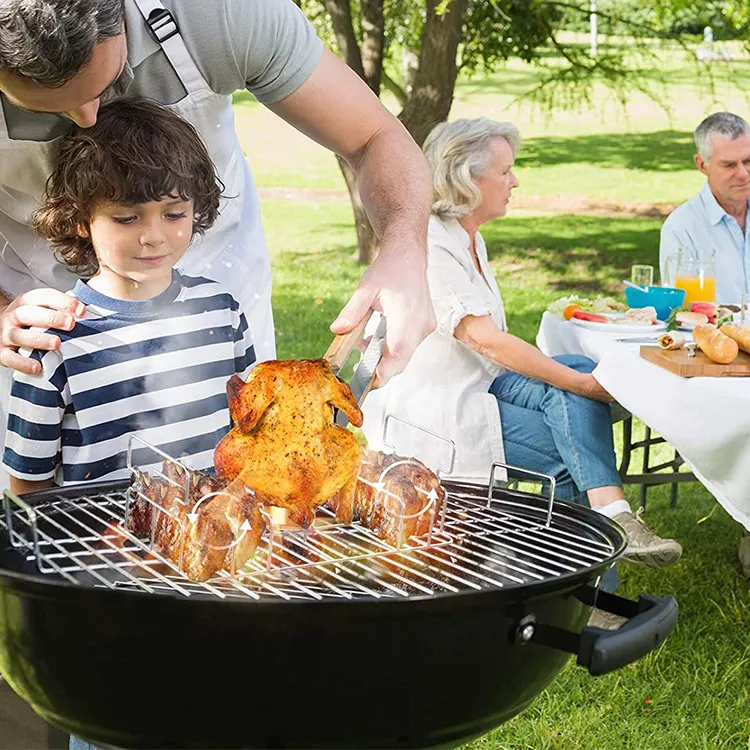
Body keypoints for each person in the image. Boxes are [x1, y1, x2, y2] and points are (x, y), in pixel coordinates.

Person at [0, 0, 435, 394]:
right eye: (47, 106)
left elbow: (376, 137)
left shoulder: (221, 12)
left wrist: (403, 252)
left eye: (102, 83)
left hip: (219, 286)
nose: (88, 118)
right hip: (41, 315)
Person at [363, 117, 683, 577]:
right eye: (505, 171)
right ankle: (591, 587)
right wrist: (583, 386)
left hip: (482, 382)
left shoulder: (469, 236)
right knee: (571, 456)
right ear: (468, 178)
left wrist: (574, 379)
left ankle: (608, 521)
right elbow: (484, 339)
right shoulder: (431, 241)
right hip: (437, 405)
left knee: (572, 369)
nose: (515, 181)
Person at [2, 99, 257, 495]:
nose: (153, 236)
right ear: (79, 220)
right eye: (126, 217)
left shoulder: (223, 314)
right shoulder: (53, 344)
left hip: (210, 545)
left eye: (174, 214)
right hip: (100, 553)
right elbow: (27, 493)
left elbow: (252, 436)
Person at [659, 112, 750, 304]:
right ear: (702, 165)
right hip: (716, 334)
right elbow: (684, 313)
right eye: (729, 165)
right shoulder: (681, 228)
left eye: (748, 161)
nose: (742, 174)